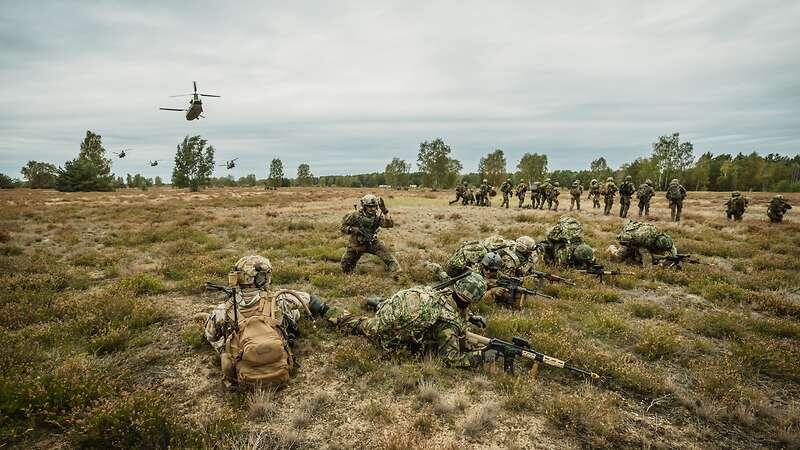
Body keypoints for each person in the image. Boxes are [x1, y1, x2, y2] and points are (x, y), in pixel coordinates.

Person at [309, 272, 490, 368]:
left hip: (403, 308)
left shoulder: (448, 292)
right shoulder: (448, 325)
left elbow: (458, 305)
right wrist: (482, 357)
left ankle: (379, 303)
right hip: (390, 331)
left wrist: (471, 317)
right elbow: (450, 359)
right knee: (360, 324)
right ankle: (324, 308)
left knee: (385, 307)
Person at [203, 255, 316, 389]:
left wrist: (225, 347)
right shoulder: (278, 300)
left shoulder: (223, 309)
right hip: (279, 365)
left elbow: (210, 336)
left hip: (244, 371)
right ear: (262, 278)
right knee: (291, 314)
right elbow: (309, 299)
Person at [340, 194, 400, 274]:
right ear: (364, 206)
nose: (372, 209)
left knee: (390, 259)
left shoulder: (376, 218)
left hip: (372, 242)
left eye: (374, 206)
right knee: (345, 267)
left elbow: (390, 224)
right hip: (356, 244)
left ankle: (398, 274)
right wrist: (352, 229)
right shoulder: (354, 215)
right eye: (369, 206)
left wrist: (385, 211)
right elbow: (342, 227)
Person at [609, 222, 677, 267]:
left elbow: (673, 251)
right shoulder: (646, 242)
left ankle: (633, 258)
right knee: (618, 258)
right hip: (629, 241)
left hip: (639, 243)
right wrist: (660, 265)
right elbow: (647, 265)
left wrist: (675, 258)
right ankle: (611, 248)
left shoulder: (666, 240)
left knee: (652, 259)